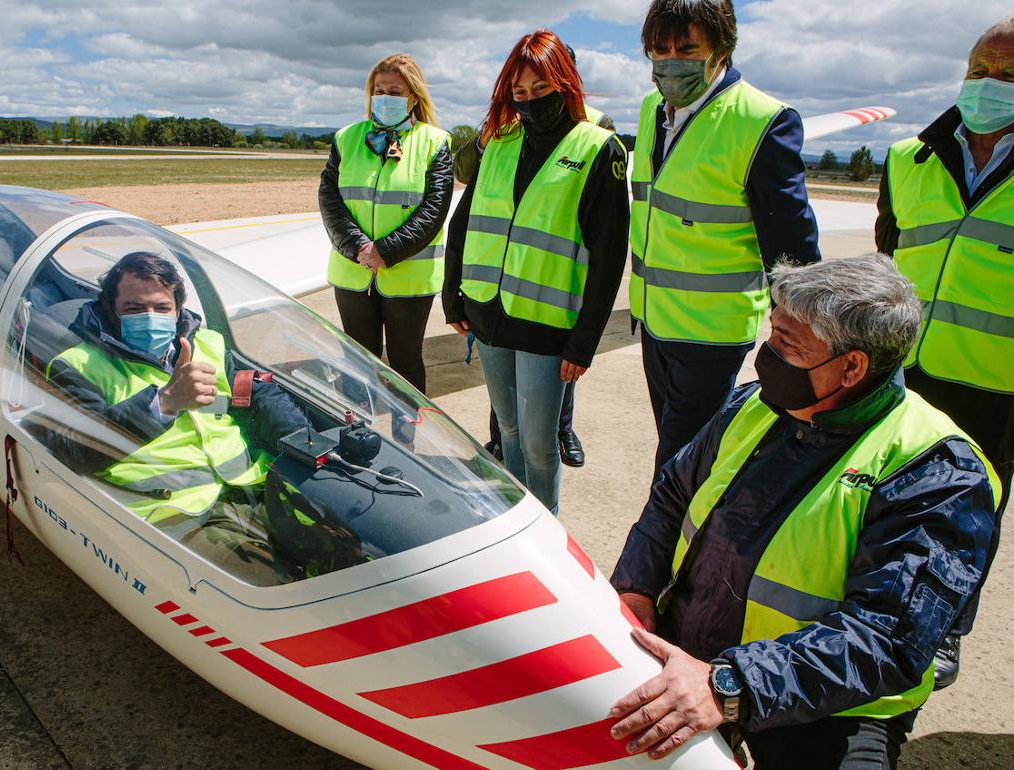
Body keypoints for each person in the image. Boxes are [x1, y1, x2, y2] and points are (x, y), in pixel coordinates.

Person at [608, 256, 999, 768]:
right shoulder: (753, 405)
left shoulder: (937, 470)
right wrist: (635, 588)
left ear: (852, 367)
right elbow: (672, 497)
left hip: (828, 703)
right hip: (693, 658)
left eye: (789, 346)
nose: (765, 357)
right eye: (772, 334)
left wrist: (729, 685)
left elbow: (886, 638)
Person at [875, 15, 1014, 689]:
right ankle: (880, 611)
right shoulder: (911, 158)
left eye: (1010, 75)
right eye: (979, 70)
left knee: (971, 518)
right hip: (908, 373)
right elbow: (888, 250)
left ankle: (946, 628)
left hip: (998, 386)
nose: (988, 85)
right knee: (888, 498)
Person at [42, 252, 337, 579]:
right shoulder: (78, 365)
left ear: (178, 308)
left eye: (161, 307)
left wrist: (311, 446)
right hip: (171, 510)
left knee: (346, 553)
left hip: (248, 486)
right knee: (278, 586)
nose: (150, 317)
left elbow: (253, 393)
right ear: (111, 309)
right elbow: (72, 450)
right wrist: (163, 403)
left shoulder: (207, 343)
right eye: (134, 308)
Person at [629, 0, 819, 480]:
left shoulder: (761, 121)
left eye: (688, 48)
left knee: (676, 464)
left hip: (711, 334)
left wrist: (804, 337)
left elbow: (792, 246)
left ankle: (666, 552)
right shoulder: (653, 107)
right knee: (681, 452)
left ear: (722, 49)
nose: (671, 61)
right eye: (660, 49)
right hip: (655, 321)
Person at [442, 29, 629, 514]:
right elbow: (465, 221)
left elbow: (609, 258)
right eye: (519, 93)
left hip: (548, 326)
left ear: (565, 84)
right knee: (507, 433)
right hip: (488, 315)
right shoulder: (498, 143)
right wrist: (452, 295)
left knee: (542, 447)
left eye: (541, 90)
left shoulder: (597, 149)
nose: (529, 101)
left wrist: (585, 340)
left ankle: (546, 532)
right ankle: (516, 520)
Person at [319, 53, 453, 395]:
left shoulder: (435, 143)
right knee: (357, 361)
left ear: (413, 97)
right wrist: (359, 248)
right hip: (354, 272)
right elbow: (330, 199)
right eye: (379, 90)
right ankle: (359, 437)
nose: (385, 98)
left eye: (395, 92)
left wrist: (386, 251)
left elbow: (433, 209)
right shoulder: (347, 138)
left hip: (409, 278)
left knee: (406, 363)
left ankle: (408, 441)